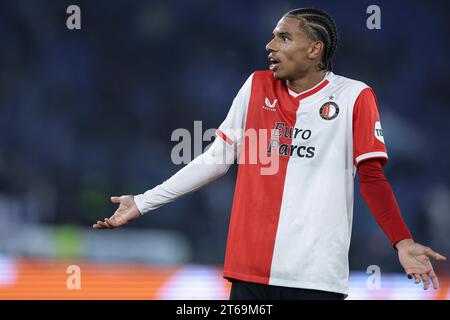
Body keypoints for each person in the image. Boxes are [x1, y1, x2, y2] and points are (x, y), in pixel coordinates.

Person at [93, 8, 446, 300]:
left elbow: (371, 177)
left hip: (316, 280)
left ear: (315, 49)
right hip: (251, 274)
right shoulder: (257, 85)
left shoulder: (354, 96)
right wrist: (143, 202)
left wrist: (402, 242)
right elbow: (217, 160)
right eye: (274, 36)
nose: (270, 45)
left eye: (284, 37)